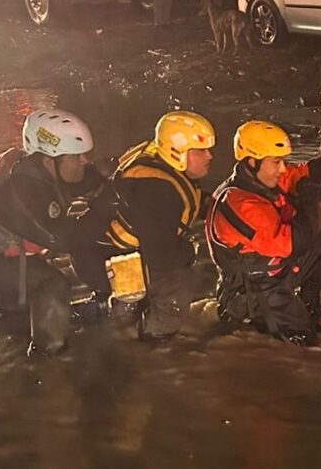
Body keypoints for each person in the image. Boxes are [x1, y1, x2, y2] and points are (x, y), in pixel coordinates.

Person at [205, 119, 321, 346]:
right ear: (252, 162)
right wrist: (309, 205)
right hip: (253, 292)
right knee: (306, 341)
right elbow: (296, 243)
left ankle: (309, 300)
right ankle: (253, 328)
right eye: (277, 161)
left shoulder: (265, 178)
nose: (283, 168)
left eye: (283, 161)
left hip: (273, 272)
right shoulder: (242, 204)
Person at [0, 108, 106, 355]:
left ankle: (4, 308)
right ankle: (48, 354)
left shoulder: (40, 168)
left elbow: (90, 178)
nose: (84, 161)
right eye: (76, 156)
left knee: (20, 305)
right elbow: (67, 239)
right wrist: (106, 209)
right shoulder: (19, 192)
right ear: (49, 159)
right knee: (53, 284)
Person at [74, 111, 216, 342]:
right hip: (103, 260)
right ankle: (153, 338)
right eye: (200, 150)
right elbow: (161, 258)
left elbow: (185, 199)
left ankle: (112, 309)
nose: (209, 155)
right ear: (176, 151)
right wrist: (190, 250)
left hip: (97, 251)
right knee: (177, 279)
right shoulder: (157, 191)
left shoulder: (160, 163)